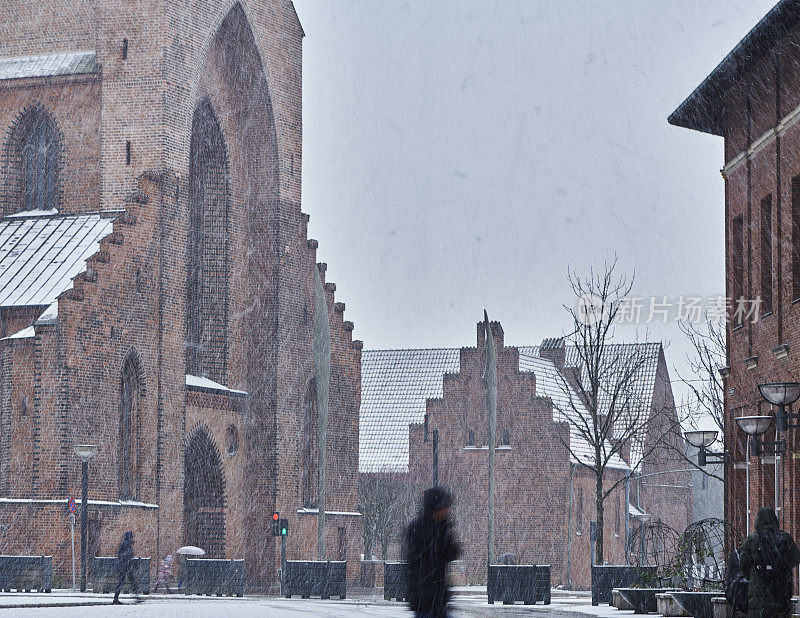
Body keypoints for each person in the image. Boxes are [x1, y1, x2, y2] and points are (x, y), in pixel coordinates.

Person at [404, 487, 461, 618]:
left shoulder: (442, 527)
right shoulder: (420, 529)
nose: (447, 510)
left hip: (437, 597)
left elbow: (451, 553)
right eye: (444, 507)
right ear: (435, 508)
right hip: (425, 598)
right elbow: (423, 560)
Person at [739, 507, 800, 617]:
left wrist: (754, 576)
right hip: (781, 594)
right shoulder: (785, 538)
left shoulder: (753, 539)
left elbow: (743, 565)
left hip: (758, 597)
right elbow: (795, 559)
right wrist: (780, 570)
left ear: (758, 520)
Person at [112, 531, 141, 605]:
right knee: (126, 582)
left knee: (126, 582)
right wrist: (131, 561)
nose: (132, 538)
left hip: (124, 566)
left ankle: (116, 598)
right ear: (129, 537)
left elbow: (122, 554)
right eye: (132, 537)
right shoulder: (126, 543)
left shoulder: (125, 543)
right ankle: (136, 597)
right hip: (125, 567)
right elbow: (126, 555)